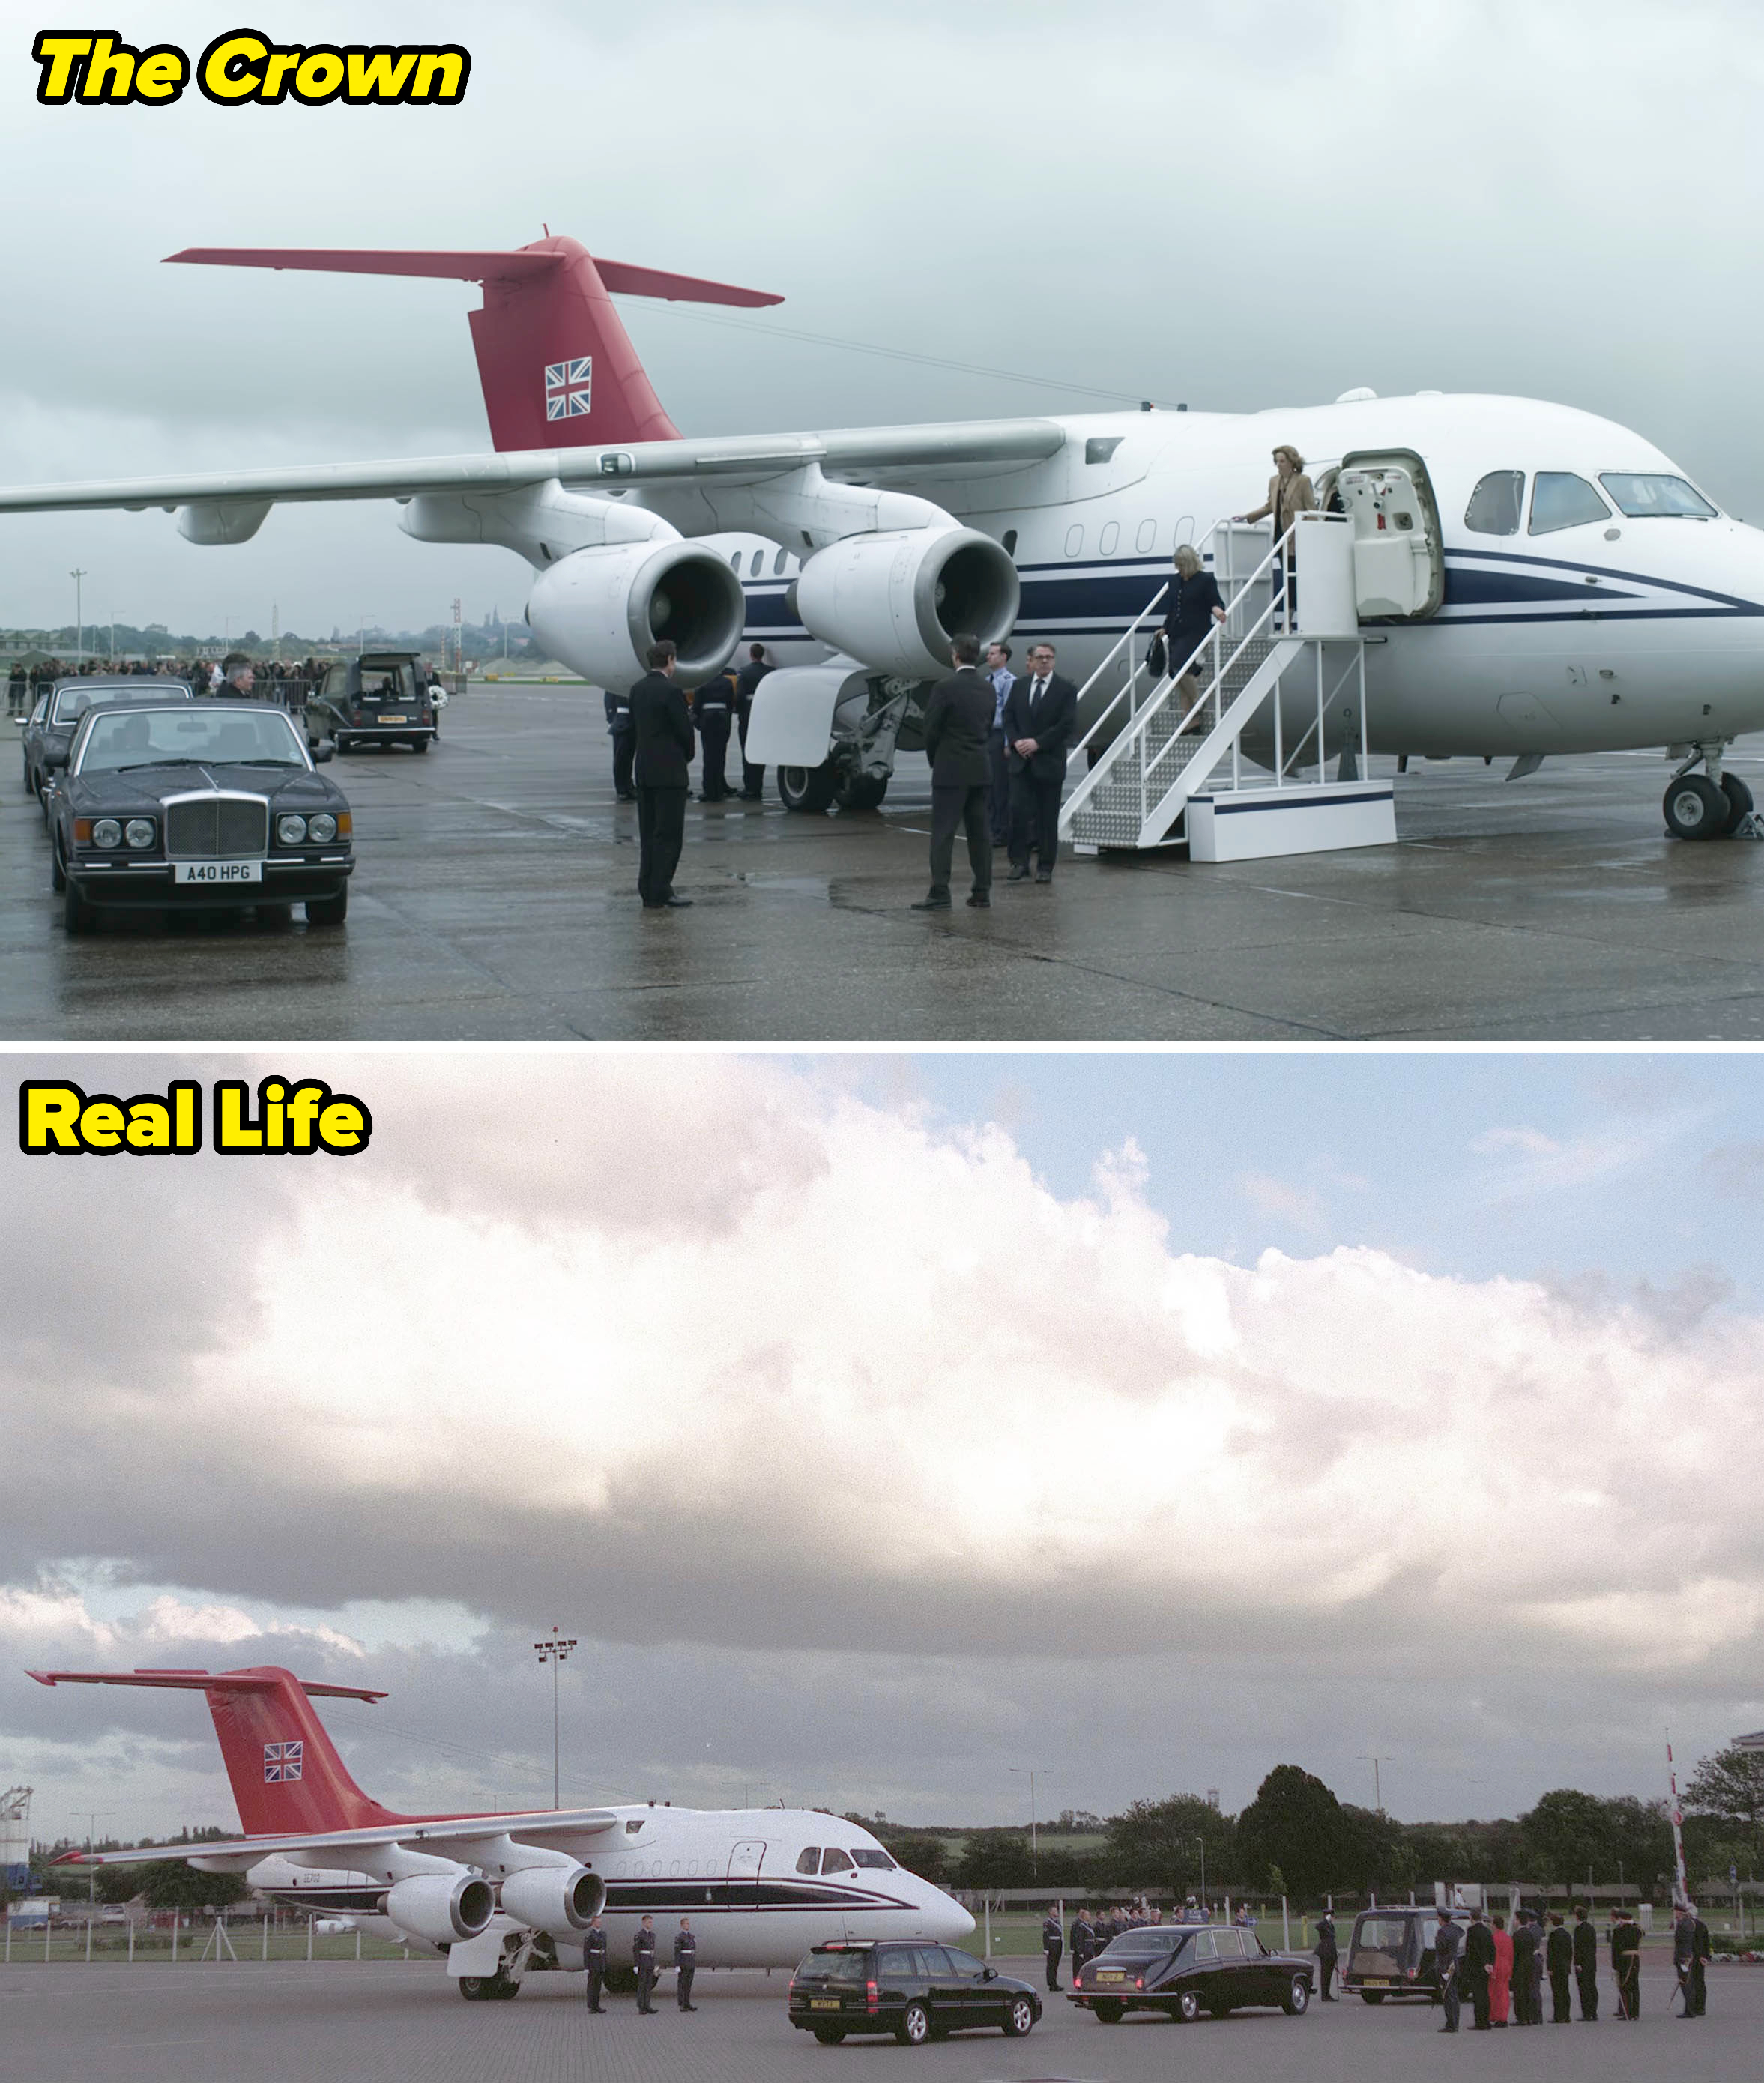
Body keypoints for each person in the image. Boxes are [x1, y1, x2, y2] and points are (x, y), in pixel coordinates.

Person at [913, 633, 994, 911]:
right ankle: (982, 891)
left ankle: (940, 892)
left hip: (951, 771)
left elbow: (931, 729)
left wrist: (936, 759)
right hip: (980, 768)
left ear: (955, 655)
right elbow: (988, 725)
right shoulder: (987, 688)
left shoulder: (944, 688)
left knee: (944, 834)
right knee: (980, 833)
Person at [1003, 641, 1077, 885]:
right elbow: (1009, 717)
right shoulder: (1019, 686)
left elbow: (1066, 725)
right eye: (1040, 657)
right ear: (1031, 661)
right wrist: (1016, 742)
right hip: (1021, 763)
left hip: (1048, 763)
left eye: (1049, 657)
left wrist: (1037, 743)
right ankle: (1019, 863)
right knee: (1017, 814)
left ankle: (1045, 866)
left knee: (1047, 818)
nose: (1045, 661)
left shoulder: (1065, 689)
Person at [629, 641, 695, 909]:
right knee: (668, 835)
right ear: (669, 659)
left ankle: (647, 888)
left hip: (644, 770)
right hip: (669, 772)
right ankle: (662, 889)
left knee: (648, 833)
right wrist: (686, 757)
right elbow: (684, 731)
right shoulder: (671, 692)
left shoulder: (637, 690)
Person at [1236, 444, 1316, 627]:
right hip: (1281, 536)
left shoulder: (1303, 481)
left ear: (1292, 462)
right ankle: (1289, 618)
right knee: (1288, 577)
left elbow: (1311, 509)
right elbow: (1269, 506)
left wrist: (1311, 535)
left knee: (1293, 578)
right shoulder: (1274, 481)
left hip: (1297, 537)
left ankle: (1289, 620)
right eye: (1277, 462)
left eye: (1282, 461)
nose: (1279, 465)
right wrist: (1248, 517)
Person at [1159, 543, 1227, 725]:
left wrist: (1218, 611)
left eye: (1181, 566)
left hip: (1195, 631)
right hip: (1176, 632)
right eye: (1177, 566)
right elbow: (1173, 608)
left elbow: (1215, 601)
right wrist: (1165, 628)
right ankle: (1190, 722)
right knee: (1178, 676)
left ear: (1190, 564)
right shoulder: (1174, 581)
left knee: (1180, 666)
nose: (1179, 570)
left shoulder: (1205, 580)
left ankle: (1198, 701)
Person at [984, 640, 1015, 845]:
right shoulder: (987, 680)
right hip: (987, 736)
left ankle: (1001, 831)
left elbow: (1010, 714)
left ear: (1004, 657)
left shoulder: (1008, 680)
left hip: (999, 735)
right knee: (988, 785)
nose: (988, 656)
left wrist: (1007, 742)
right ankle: (991, 828)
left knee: (1000, 787)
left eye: (993, 653)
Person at [693, 664, 737, 801]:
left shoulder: (702, 682)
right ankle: (719, 789)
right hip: (723, 720)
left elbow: (697, 706)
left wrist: (698, 723)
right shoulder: (727, 682)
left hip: (708, 721)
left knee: (709, 757)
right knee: (720, 756)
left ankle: (709, 790)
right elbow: (730, 704)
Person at [734, 642, 771, 799]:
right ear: (762, 655)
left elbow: (740, 696)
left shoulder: (745, 673)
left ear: (751, 655)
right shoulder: (770, 672)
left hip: (747, 715)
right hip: (764, 715)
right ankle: (758, 787)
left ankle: (750, 788)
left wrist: (738, 710)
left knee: (747, 752)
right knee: (760, 752)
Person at [604, 683, 635, 800]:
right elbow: (609, 699)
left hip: (633, 722)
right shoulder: (616, 682)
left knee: (629, 758)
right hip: (622, 722)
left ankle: (629, 786)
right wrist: (611, 719)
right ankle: (622, 789)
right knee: (621, 759)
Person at [1610, 1908, 1641, 2021]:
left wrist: (1615, 1966)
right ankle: (1635, 2013)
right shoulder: (1636, 1930)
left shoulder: (1618, 1931)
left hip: (1624, 1960)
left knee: (1625, 1986)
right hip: (1636, 1958)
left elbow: (1616, 1950)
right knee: (1635, 1986)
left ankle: (1627, 2012)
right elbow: (1641, 1932)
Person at [1434, 1908, 1461, 2032]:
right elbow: (1462, 1933)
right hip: (1454, 1964)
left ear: (1441, 1919)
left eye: (1438, 1918)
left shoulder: (1442, 1932)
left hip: (1445, 1965)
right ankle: (1455, 2021)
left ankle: (1451, 2024)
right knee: (1454, 1995)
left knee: (1447, 1995)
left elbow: (1440, 1948)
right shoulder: (1455, 1930)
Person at [1511, 1909, 1539, 2025]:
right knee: (1528, 1990)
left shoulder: (1517, 1935)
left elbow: (1514, 1953)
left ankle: (1521, 2017)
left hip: (1519, 1966)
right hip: (1530, 1965)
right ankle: (1529, 2016)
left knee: (1519, 1992)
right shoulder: (1531, 1934)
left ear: (1518, 1920)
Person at [1571, 1902, 1599, 2019]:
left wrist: (1577, 1962)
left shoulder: (1578, 1930)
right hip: (1591, 1961)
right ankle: (1594, 2011)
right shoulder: (1591, 1928)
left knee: (1584, 1988)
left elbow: (1578, 1947)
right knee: (1592, 1986)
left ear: (1578, 1917)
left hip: (1583, 1962)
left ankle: (1586, 2012)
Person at [1546, 1911, 1573, 2023]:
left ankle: (1558, 2015)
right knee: (1565, 1991)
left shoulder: (1553, 1935)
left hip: (1556, 1967)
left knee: (1557, 1992)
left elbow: (1551, 1953)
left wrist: (1549, 1967)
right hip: (1565, 1966)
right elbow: (1570, 1952)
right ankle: (1566, 2015)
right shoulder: (1567, 1934)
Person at [633, 1913, 659, 2014]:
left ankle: (647, 2005)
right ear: (644, 1923)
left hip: (650, 1962)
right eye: (649, 1922)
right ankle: (641, 2007)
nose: (650, 1924)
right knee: (642, 1985)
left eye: (651, 1922)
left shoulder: (652, 1935)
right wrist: (636, 1965)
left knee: (649, 1986)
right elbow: (636, 1951)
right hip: (643, 1962)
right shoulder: (640, 1936)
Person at [1490, 1912, 1512, 2025]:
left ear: (1495, 1925)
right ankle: (1503, 2016)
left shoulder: (1494, 1938)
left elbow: (1494, 1954)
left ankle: (1498, 2016)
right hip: (1506, 1965)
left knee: (1496, 1994)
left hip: (1497, 1966)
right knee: (1504, 1992)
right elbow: (1511, 1954)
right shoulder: (1507, 1937)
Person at [582, 1914, 608, 2010]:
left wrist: (604, 1963)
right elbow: (586, 1951)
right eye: (598, 1922)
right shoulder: (590, 1935)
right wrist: (586, 1967)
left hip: (600, 1962)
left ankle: (597, 2006)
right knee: (592, 1986)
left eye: (600, 1921)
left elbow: (605, 1950)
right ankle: (591, 2006)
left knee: (598, 1986)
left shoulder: (603, 1934)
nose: (599, 1923)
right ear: (593, 1923)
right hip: (593, 1962)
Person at [674, 1916, 698, 2010]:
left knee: (688, 1985)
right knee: (682, 1985)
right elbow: (677, 1951)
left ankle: (687, 2003)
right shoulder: (679, 1937)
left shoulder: (691, 1936)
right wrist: (677, 1965)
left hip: (690, 1962)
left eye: (689, 1924)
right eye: (686, 1924)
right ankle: (682, 2004)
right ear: (682, 1925)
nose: (688, 1925)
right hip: (683, 1962)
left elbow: (693, 1949)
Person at [1314, 1909, 1337, 2001]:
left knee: (1329, 1974)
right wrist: (1325, 1920)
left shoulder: (1331, 1926)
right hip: (1325, 1952)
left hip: (1331, 1952)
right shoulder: (1323, 1925)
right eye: (1332, 1916)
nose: (1333, 1918)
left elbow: (1332, 1938)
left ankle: (1327, 1994)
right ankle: (1324, 1995)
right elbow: (1318, 1927)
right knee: (1325, 1974)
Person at [1069, 1905, 1096, 1978]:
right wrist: (1080, 1951)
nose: (1090, 1916)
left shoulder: (1088, 1925)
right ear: (1084, 1916)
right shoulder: (1081, 1926)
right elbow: (1079, 1939)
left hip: (1090, 1949)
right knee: (1080, 1967)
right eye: (1088, 1915)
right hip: (1085, 1949)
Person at [1042, 1908, 1063, 1991]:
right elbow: (1045, 1936)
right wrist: (1046, 1948)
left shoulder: (1057, 1922)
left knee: (1055, 1965)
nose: (1057, 1912)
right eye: (1054, 1911)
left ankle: (1055, 1982)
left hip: (1058, 1944)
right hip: (1052, 1945)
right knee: (1051, 1965)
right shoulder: (1047, 1923)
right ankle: (1051, 1984)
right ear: (1050, 1912)